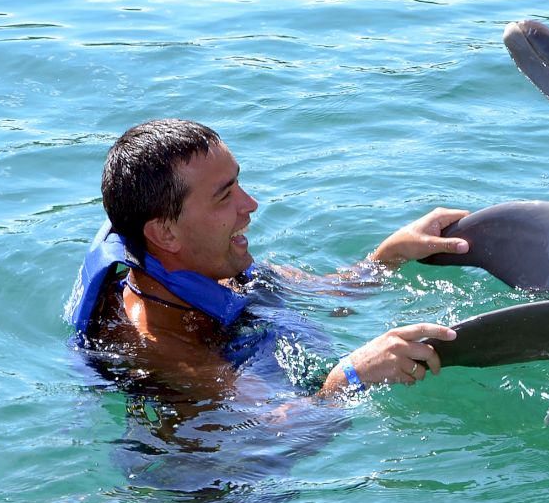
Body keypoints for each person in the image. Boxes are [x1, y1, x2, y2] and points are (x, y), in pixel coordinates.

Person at [68, 118, 469, 400]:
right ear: (165, 233)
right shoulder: (163, 349)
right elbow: (277, 434)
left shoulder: (215, 268)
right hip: (208, 497)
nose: (250, 204)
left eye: (238, 183)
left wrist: (392, 253)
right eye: (225, 196)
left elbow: (331, 294)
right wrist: (353, 376)